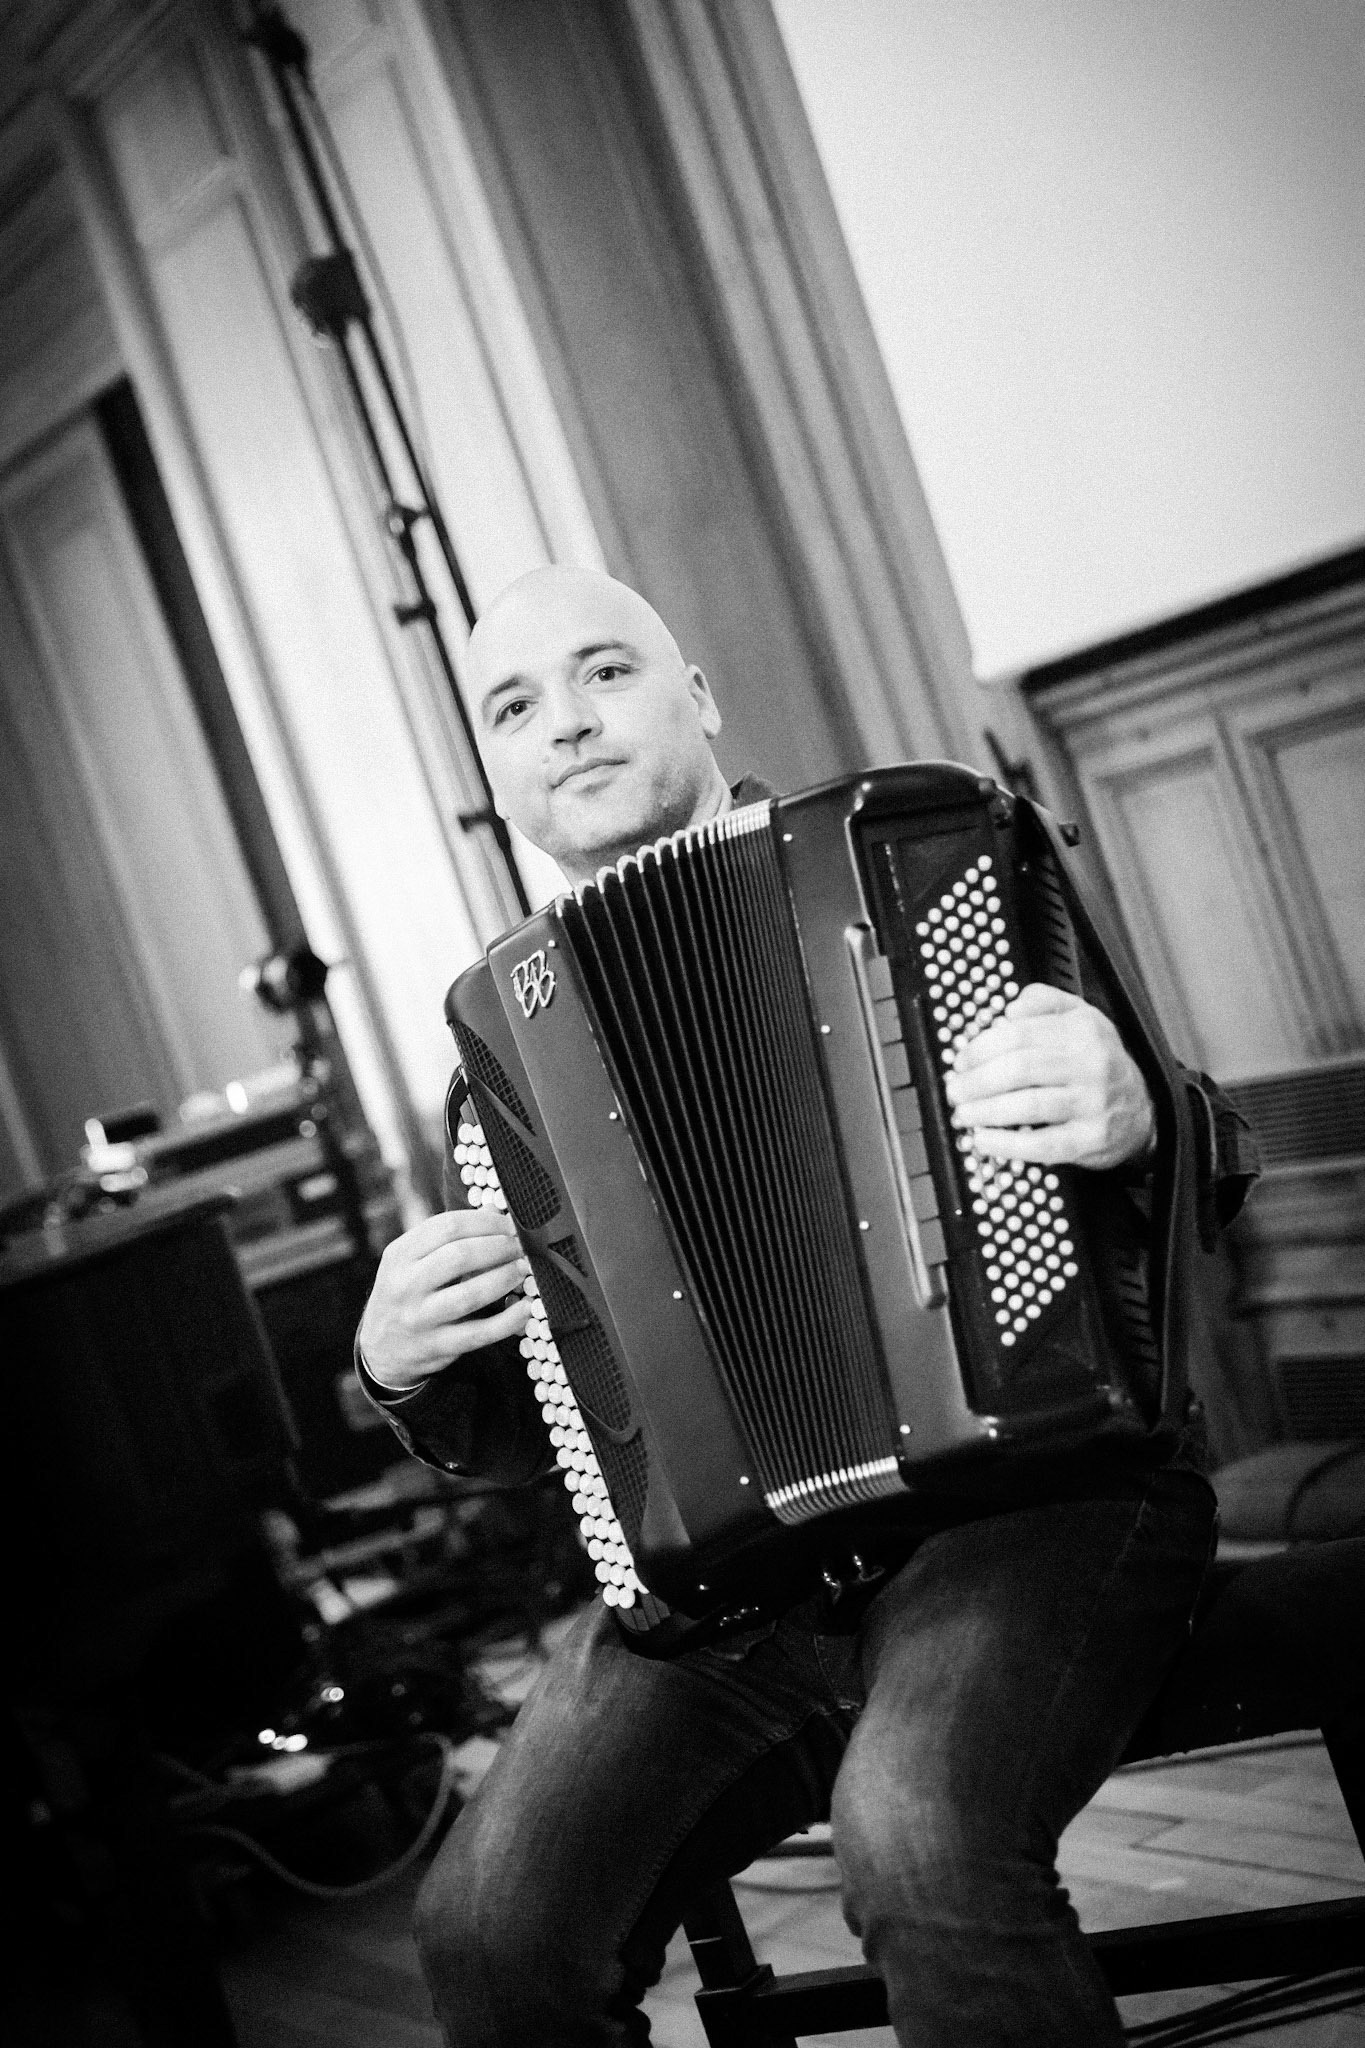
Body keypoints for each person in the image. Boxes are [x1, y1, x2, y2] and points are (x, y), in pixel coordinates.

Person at [356, 565, 1256, 2047]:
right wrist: (407, 1367)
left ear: (697, 695)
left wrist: (1140, 1113)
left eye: (605, 673)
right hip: (719, 1598)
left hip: (1031, 1509)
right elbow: (552, 1433)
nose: (566, 725)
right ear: (490, 771)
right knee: (483, 1931)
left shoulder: (923, 857)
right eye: (514, 707)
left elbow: (1206, 1156)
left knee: (915, 1837)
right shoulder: (501, 1068)